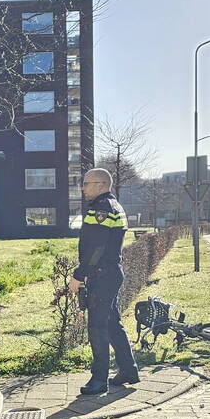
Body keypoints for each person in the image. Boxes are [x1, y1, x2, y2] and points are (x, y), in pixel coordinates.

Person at [67, 168, 139, 395]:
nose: (83, 187)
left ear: (100, 185)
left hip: (101, 275)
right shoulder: (113, 206)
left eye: (87, 183)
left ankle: (99, 380)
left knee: (97, 327)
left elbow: (96, 248)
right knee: (111, 323)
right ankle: (128, 370)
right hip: (109, 273)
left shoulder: (102, 209)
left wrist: (79, 275)